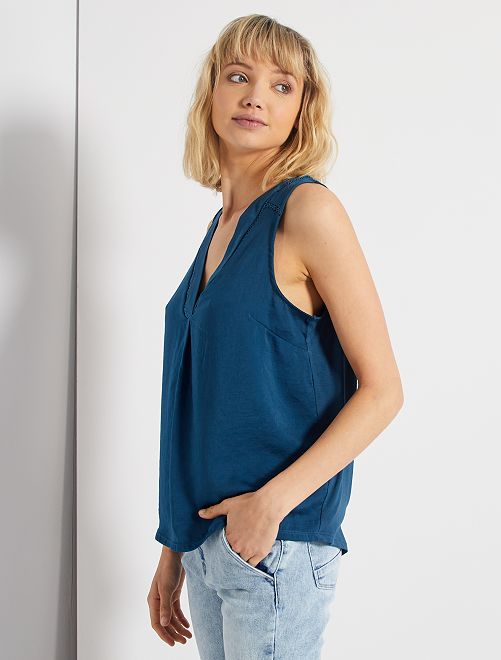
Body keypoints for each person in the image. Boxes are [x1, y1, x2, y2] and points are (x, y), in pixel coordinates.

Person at [147, 14, 404, 659]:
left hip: (278, 542)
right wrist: (174, 546)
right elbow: (197, 404)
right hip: (209, 541)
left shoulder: (307, 210)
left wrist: (270, 505)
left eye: (281, 85)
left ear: (301, 111)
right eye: (239, 76)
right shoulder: (220, 228)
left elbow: (383, 391)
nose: (256, 96)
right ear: (212, 93)